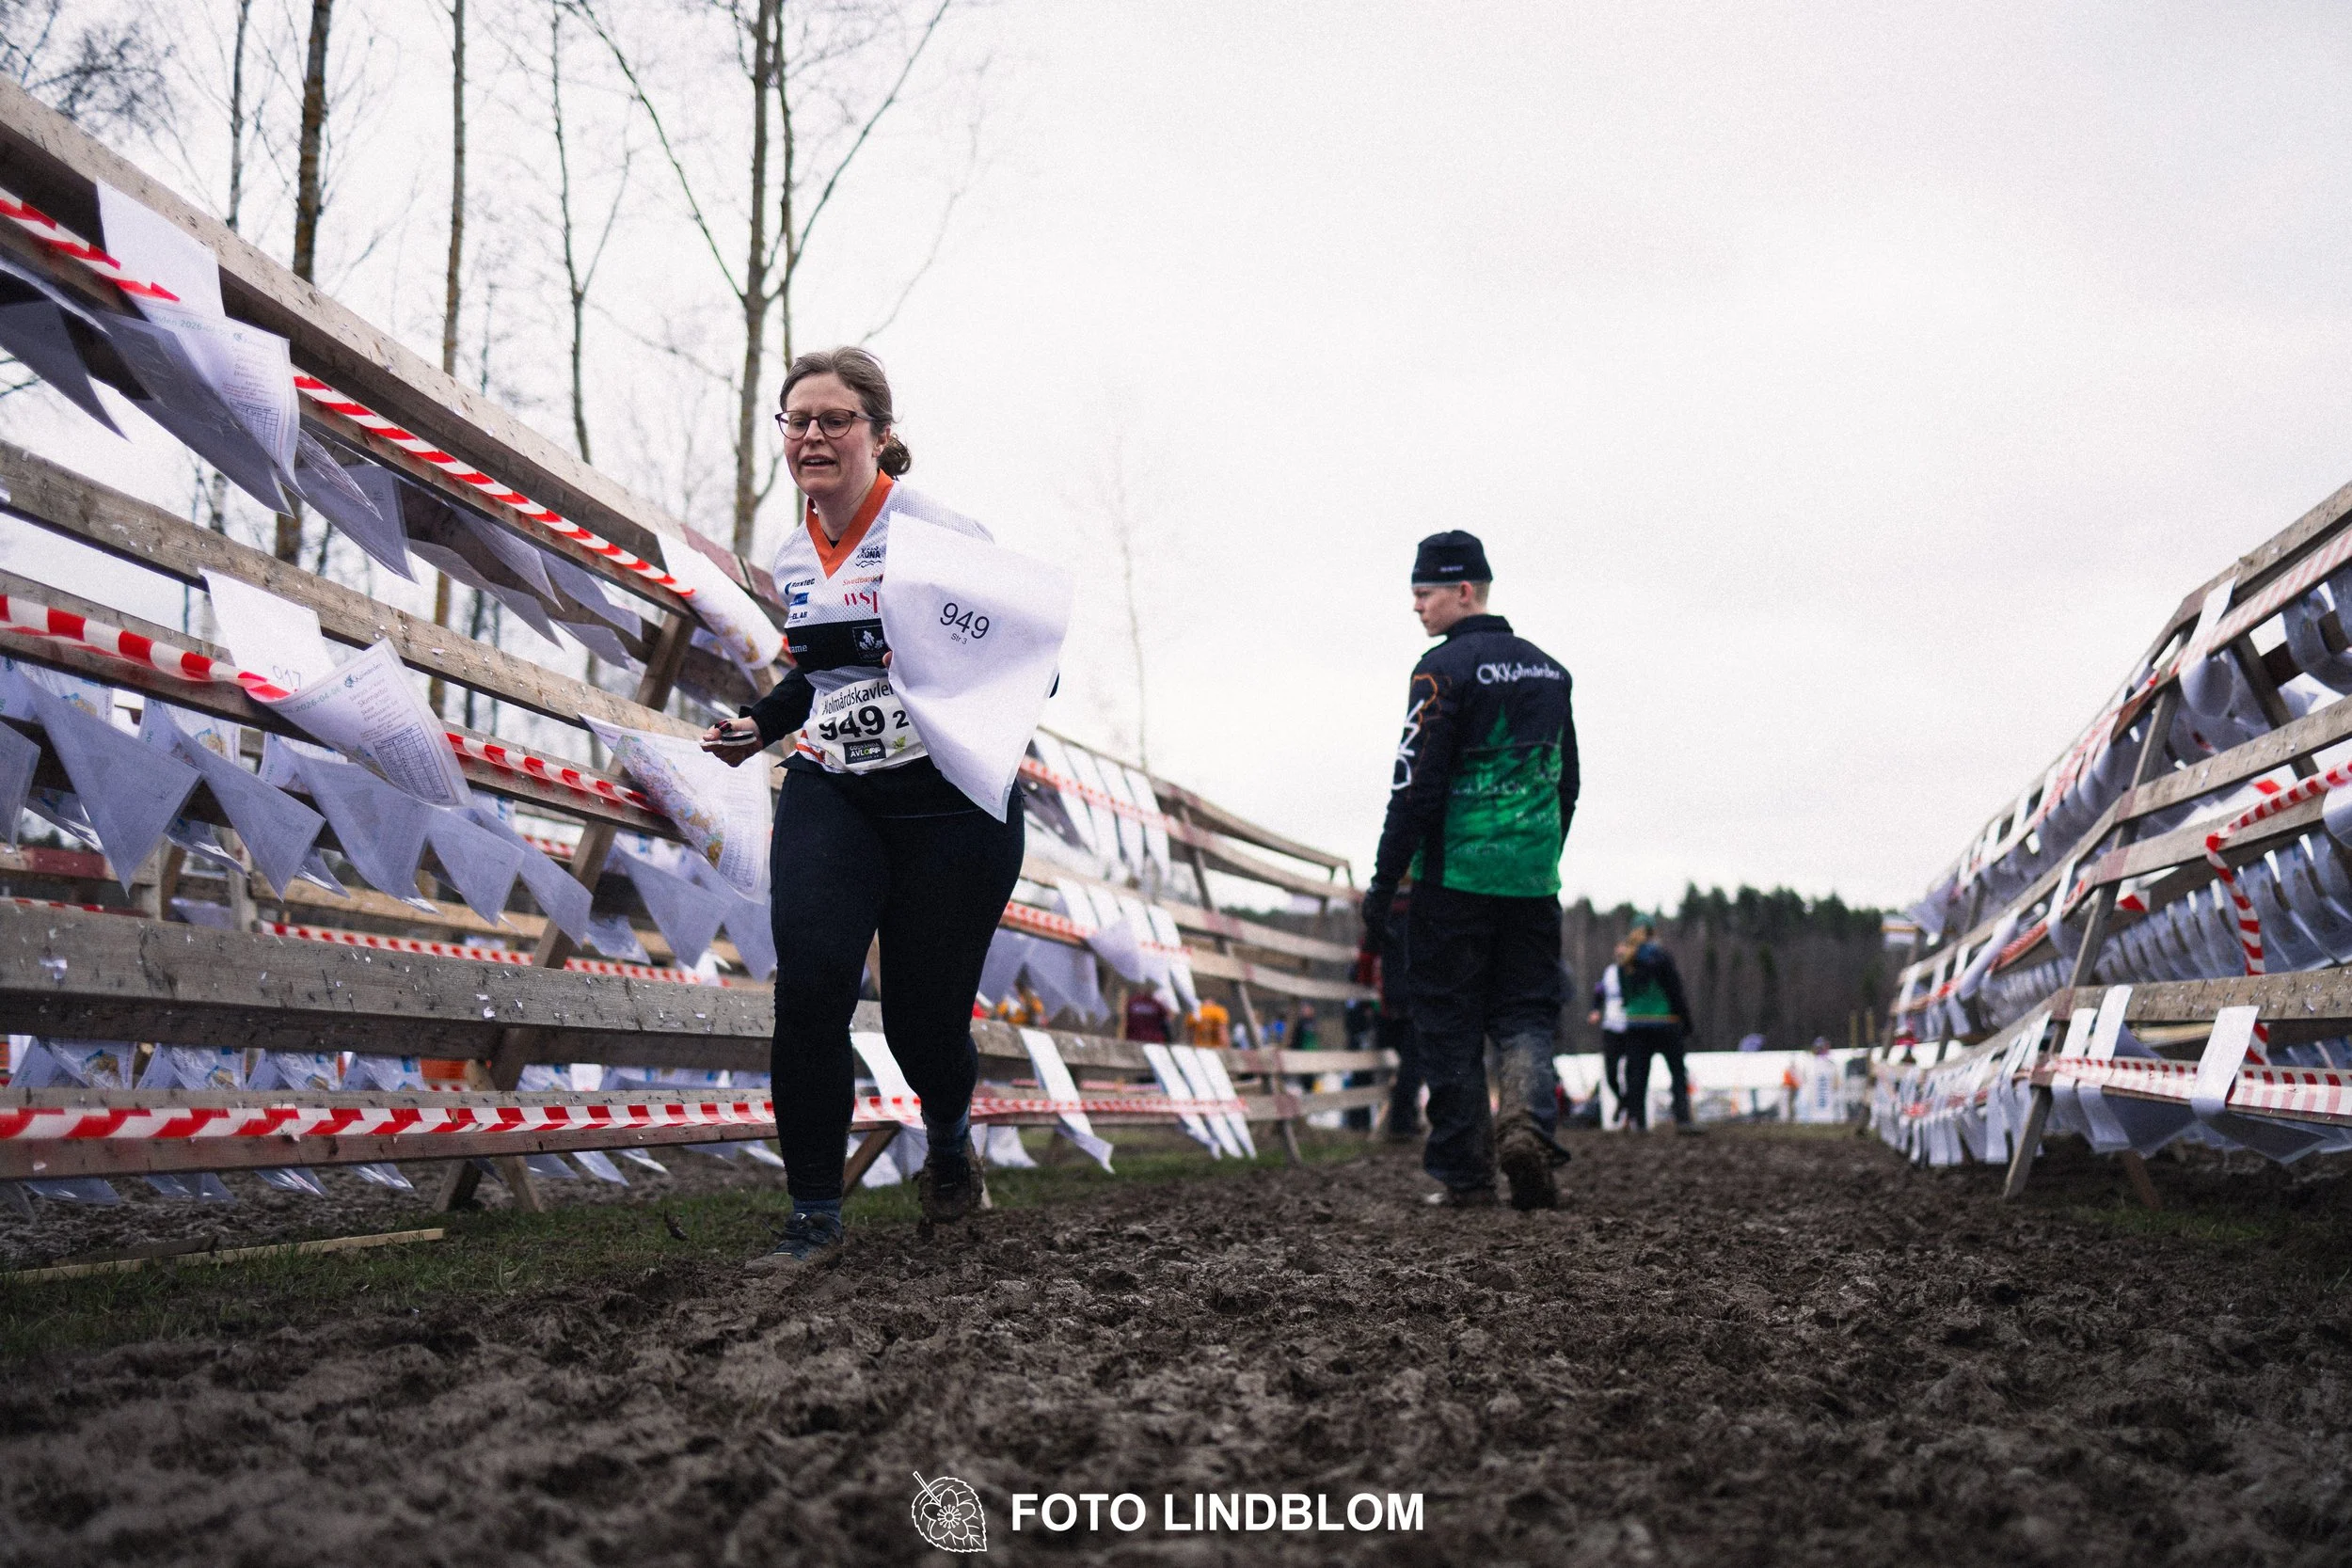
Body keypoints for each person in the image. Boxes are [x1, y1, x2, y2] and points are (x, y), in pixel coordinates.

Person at [703, 347, 1028, 1276]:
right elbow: (817, 674)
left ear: (880, 436)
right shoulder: (791, 548)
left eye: (833, 418)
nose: (810, 435)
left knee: (924, 1022)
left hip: (949, 802)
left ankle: (951, 1136)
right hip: (834, 786)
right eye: (795, 419)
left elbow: (1033, 657)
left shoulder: (940, 531)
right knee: (809, 989)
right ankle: (813, 1214)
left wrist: (948, 674)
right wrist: (756, 724)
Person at [1359, 530, 1580, 1211]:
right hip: (1532, 878)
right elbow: (1567, 781)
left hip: (1453, 879)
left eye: (1424, 592)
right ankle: (1528, 1132)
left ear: (1463, 589)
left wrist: (1384, 881)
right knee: (1525, 1015)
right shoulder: (1551, 671)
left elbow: (1415, 786)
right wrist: (1544, 851)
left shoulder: (1439, 672)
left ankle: (1466, 1171)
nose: (1416, 606)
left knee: (1447, 1018)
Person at [1616, 921, 1696, 1132]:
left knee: (1638, 1075)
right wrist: (1686, 1020)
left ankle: (1638, 1122)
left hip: (1636, 1024)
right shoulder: (1661, 956)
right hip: (1666, 1021)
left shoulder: (1625, 960)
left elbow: (1624, 996)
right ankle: (1683, 1119)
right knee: (1677, 1072)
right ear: (1653, 933)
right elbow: (1674, 990)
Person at [1586, 932, 1638, 1128]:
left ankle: (1630, 1112)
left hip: (1632, 1026)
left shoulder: (1635, 972)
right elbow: (1598, 993)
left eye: (1623, 947)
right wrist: (1594, 1010)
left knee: (1634, 1072)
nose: (1620, 951)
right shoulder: (1609, 972)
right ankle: (1624, 1102)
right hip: (1611, 1026)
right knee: (1610, 1073)